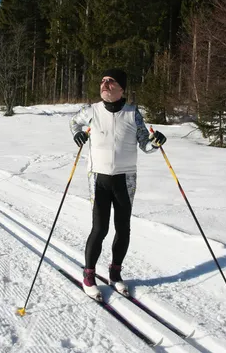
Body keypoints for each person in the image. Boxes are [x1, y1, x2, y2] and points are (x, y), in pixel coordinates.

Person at [70, 68, 166, 301]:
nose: (105, 84)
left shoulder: (134, 114)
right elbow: (74, 123)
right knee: (100, 228)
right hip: (99, 178)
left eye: (110, 81)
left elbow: (146, 144)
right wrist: (78, 135)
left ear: (121, 88)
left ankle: (115, 274)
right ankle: (89, 276)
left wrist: (157, 142)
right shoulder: (91, 110)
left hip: (126, 178)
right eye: (102, 80)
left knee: (123, 228)